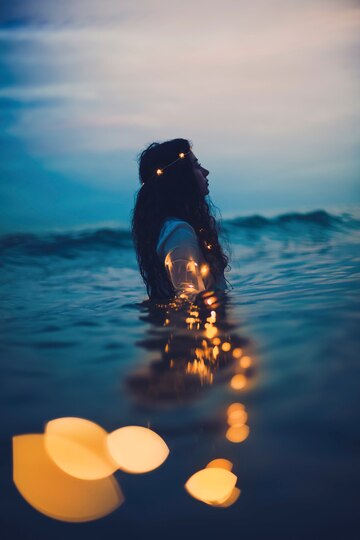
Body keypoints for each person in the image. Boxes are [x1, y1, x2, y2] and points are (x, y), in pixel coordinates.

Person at [131, 138, 230, 302]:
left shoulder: (171, 228)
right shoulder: (179, 232)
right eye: (196, 166)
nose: (206, 171)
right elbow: (187, 298)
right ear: (180, 177)